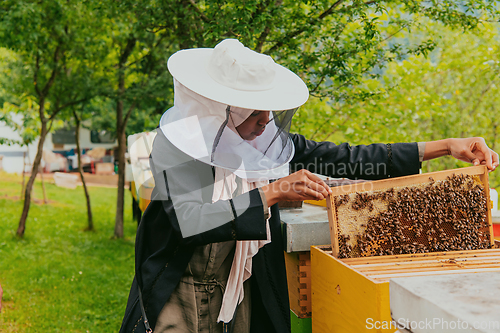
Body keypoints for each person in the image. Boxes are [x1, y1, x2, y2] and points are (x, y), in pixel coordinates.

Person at [119, 39, 498, 333]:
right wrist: (272, 192)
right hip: (178, 287)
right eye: (254, 109)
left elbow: (350, 158)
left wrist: (445, 147)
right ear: (221, 106)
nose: (267, 120)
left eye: (268, 107)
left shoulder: (266, 143)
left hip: (238, 289)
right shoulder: (178, 146)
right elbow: (190, 220)